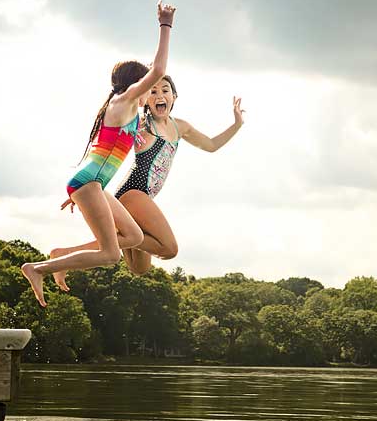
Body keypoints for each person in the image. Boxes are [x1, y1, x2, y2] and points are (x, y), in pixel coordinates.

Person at [21, 1, 176, 307]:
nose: (152, 89)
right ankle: (38, 269)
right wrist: (165, 25)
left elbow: (97, 153)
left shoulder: (127, 112)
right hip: (89, 184)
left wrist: (78, 192)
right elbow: (159, 69)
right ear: (136, 84)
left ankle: (61, 257)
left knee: (132, 235)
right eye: (148, 85)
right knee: (110, 254)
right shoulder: (124, 101)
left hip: (91, 185)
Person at [51, 75, 244, 290]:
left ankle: (75, 250)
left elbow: (211, 144)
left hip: (142, 199)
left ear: (174, 96)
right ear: (145, 99)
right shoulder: (141, 126)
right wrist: (85, 188)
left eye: (165, 90)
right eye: (153, 91)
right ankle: (77, 251)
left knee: (138, 267)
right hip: (132, 194)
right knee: (169, 248)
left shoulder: (181, 127)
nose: (159, 95)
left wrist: (237, 124)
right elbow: (108, 149)